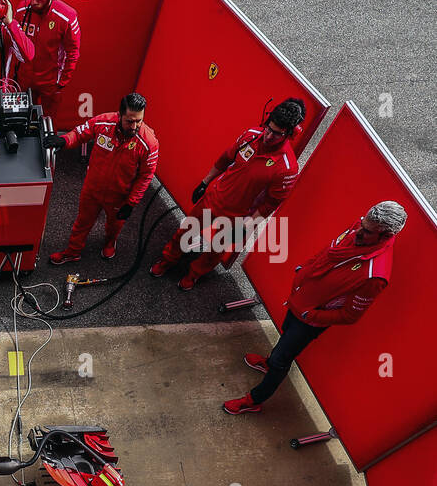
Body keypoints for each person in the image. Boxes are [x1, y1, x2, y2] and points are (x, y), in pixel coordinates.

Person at [223, 202, 405, 415]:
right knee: (283, 339)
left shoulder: (376, 275)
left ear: (384, 236)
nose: (358, 231)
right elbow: (328, 251)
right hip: (299, 299)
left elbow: (350, 315)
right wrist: (305, 269)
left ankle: (254, 399)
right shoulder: (359, 228)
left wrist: (312, 314)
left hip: (309, 321)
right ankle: (269, 362)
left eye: (366, 231)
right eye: (362, 224)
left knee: (283, 359)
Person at [150, 97, 305, 289]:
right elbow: (225, 158)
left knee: (215, 250)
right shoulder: (250, 135)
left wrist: (246, 226)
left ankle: (194, 274)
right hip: (213, 199)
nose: (269, 136)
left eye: (277, 134)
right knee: (185, 232)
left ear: (290, 134)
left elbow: (270, 204)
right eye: (269, 128)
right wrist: (204, 182)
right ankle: (167, 260)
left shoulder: (287, 168)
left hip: (237, 217)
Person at [46, 93, 159, 263]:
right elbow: (79, 133)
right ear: (119, 115)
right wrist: (64, 140)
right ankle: (73, 252)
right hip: (92, 189)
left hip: (119, 196)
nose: (134, 126)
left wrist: (131, 202)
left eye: (139, 121)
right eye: (129, 121)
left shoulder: (149, 143)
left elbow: (146, 176)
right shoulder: (103, 122)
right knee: (82, 223)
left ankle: (110, 243)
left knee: (114, 226)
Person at [12, 0, 81, 120]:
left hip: (50, 83)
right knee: (22, 120)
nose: (34, 2)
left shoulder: (67, 16)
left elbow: (73, 52)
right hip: (24, 79)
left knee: (49, 124)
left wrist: (61, 82)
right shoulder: (21, 10)